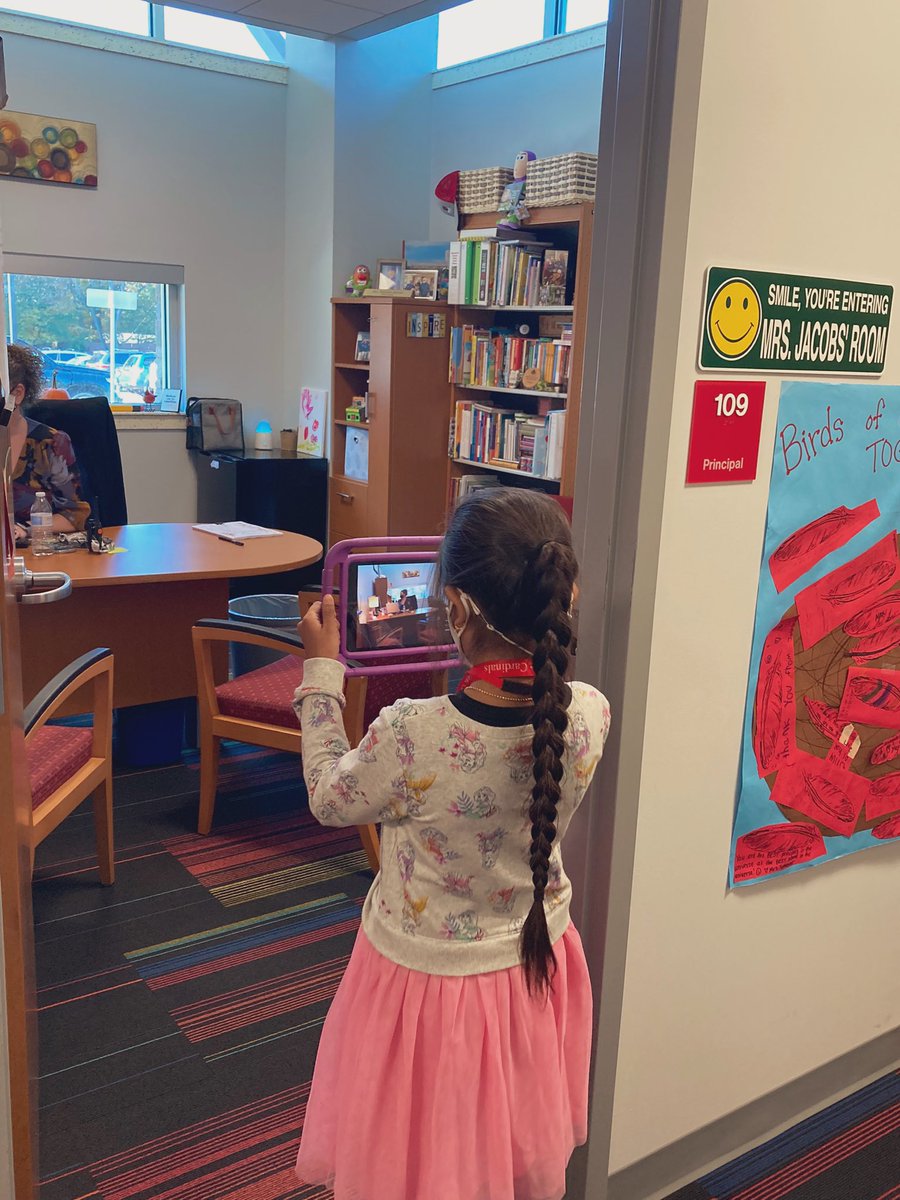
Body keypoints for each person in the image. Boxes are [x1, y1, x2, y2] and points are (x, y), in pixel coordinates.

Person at [293, 487, 611, 1200]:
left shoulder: (411, 732)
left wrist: (321, 675)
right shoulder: (590, 713)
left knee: (418, 1150)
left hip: (426, 983)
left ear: (458, 609)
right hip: (537, 960)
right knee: (506, 1134)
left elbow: (328, 797)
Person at [8, 343, 90, 540]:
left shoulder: (50, 443)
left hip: (34, 556)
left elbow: (75, 515)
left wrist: (26, 530)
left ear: (17, 394)